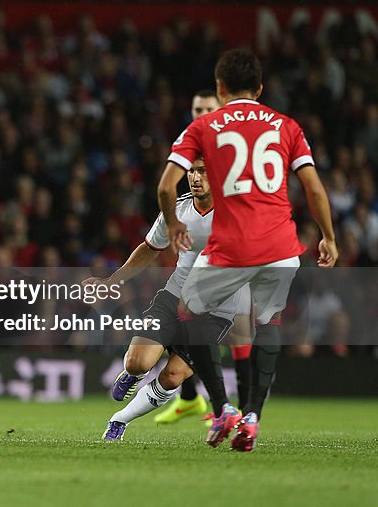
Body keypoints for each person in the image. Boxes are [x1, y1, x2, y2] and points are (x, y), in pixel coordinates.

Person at [159, 48, 338, 452]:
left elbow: (167, 185)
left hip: (234, 243)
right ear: (259, 88)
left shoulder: (204, 125)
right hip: (280, 244)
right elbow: (312, 187)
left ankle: (222, 407)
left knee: (190, 308)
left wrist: (172, 224)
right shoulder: (287, 125)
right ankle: (253, 416)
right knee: (268, 321)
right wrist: (328, 235)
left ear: (221, 89)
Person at [87, 156, 251, 441]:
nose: (195, 177)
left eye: (203, 171)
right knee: (137, 363)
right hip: (174, 296)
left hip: (215, 312)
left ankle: (119, 420)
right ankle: (133, 375)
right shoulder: (178, 211)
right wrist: (111, 281)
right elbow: (150, 249)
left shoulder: (236, 214)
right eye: (191, 171)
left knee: (172, 376)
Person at [156, 91, 252, 426]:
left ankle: (239, 408)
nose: (201, 113)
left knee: (237, 328)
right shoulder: (191, 144)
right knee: (185, 318)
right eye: (197, 108)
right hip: (202, 252)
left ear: (222, 108)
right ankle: (194, 399)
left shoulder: (233, 146)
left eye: (208, 108)